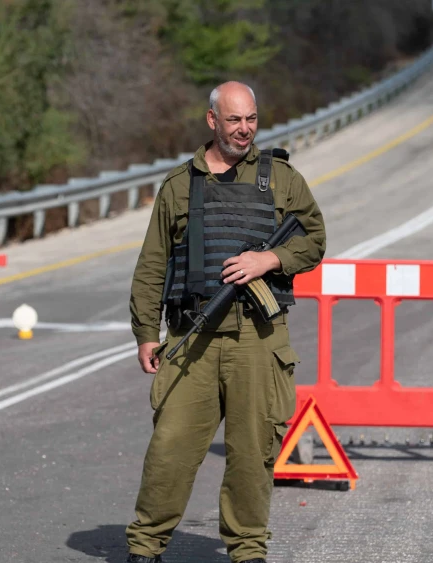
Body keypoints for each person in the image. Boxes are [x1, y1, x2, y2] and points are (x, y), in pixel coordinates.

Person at [125, 81, 326, 563]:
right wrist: (145, 333)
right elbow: (153, 265)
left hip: (259, 338)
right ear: (212, 120)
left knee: (252, 453)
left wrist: (270, 260)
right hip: (192, 337)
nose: (244, 129)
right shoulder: (179, 185)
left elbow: (314, 239)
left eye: (251, 119)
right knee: (170, 449)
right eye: (234, 120)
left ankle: (247, 550)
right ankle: (145, 546)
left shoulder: (281, 178)